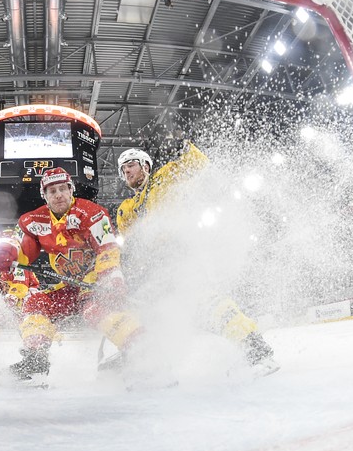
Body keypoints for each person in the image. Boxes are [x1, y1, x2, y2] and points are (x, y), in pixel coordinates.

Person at [0, 167, 163, 389]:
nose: (58, 194)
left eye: (63, 188)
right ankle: (35, 362)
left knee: (93, 307)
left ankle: (143, 355)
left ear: (71, 190)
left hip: (96, 279)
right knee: (36, 302)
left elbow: (107, 249)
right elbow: (24, 249)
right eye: (52, 191)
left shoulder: (92, 213)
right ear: (45, 195)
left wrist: (111, 278)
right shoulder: (35, 220)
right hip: (69, 284)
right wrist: (8, 251)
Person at [116, 146, 278, 374]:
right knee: (150, 316)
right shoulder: (125, 209)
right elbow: (131, 244)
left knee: (209, 304)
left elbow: (200, 166)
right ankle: (139, 363)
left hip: (179, 255)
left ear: (145, 166)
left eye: (131, 165)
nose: (127, 172)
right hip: (153, 270)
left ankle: (256, 349)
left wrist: (183, 146)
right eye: (123, 169)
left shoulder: (163, 177)